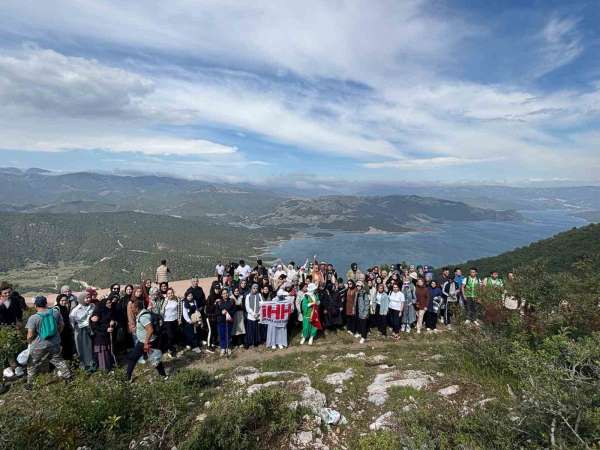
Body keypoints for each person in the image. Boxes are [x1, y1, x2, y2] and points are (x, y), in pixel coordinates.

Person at [25, 296, 72, 389]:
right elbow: (62, 325)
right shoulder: (55, 312)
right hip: (55, 342)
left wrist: (30, 343)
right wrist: (57, 334)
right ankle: (68, 378)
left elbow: (30, 335)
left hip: (39, 344)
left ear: (35, 305)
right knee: (58, 360)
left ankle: (30, 384)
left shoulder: (34, 318)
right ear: (46, 303)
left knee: (32, 363)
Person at [126, 301, 168, 382]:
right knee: (153, 359)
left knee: (152, 359)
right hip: (145, 341)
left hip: (147, 342)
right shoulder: (142, 314)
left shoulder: (143, 317)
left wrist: (146, 342)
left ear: (137, 308)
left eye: (132, 308)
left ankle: (127, 378)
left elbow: (150, 330)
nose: (131, 309)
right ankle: (163, 376)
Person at [69, 289, 96, 371]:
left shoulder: (92, 306)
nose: (88, 299)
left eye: (89, 297)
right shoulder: (76, 309)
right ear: (81, 299)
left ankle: (92, 364)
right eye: (86, 298)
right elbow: (72, 320)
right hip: (80, 330)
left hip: (91, 328)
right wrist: (75, 328)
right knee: (83, 348)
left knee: (91, 347)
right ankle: (84, 365)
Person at [90, 296, 117, 372]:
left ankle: (109, 366)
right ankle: (104, 369)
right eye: (107, 303)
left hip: (107, 335)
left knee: (107, 350)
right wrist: (106, 329)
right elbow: (95, 326)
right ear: (103, 304)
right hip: (100, 335)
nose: (110, 304)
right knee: (102, 352)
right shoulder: (97, 313)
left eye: (110, 302)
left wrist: (113, 323)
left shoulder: (109, 311)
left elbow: (112, 321)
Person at [155, 287, 182, 358]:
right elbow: (161, 311)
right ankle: (169, 350)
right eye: (169, 293)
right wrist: (160, 319)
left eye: (172, 293)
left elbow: (179, 310)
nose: (171, 294)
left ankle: (171, 347)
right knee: (170, 336)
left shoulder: (177, 300)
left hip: (175, 320)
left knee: (174, 335)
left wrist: (179, 319)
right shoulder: (164, 301)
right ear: (166, 294)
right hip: (167, 321)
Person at [55, 294, 75, 360]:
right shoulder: (56, 309)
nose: (64, 302)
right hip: (60, 333)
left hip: (66, 332)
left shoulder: (65, 308)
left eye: (65, 300)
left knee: (68, 348)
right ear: (58, 300)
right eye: (62, 300)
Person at [216, 289, 235, 356]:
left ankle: (228, 347)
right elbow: (216, 312)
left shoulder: (231, 301)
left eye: (226, 293)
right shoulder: (219, 302)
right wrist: (221, 312)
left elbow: (233, 311)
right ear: (221, 295)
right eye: (223, 293)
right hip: (221, 321)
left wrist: (228, 312)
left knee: (228, 334)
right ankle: (223, 348)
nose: (225, 294)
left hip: (229, 321)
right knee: (222, 335)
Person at [244, 283, 262, 348]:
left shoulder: (259, 295)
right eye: (254, 288)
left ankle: (256, 342)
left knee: (256, 330)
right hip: (251, 316)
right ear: (251, 288)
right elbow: (247, 307)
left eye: (256, 288)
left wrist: (258, 313)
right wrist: (253, 313)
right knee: (250, 330)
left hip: (257, 316)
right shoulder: (248, 296)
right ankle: (249, 342)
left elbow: (261, 305)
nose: (255, 290)